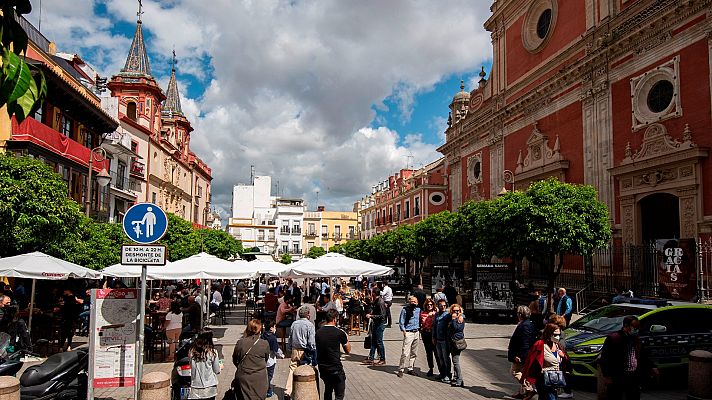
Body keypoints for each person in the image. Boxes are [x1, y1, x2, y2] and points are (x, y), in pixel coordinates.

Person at [599, 315, 659, 400]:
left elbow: (643, 356)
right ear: (626, 326)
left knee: (633, 395)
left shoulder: (636, 340)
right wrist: (607, 376)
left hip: (633, 376)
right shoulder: (614, 338)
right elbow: (605, 359)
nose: (637, 330)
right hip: (618, 376)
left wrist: (653, 367)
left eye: (638, 328)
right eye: (635, 327)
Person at [522, 323, 568, 400]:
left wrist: (563, 356)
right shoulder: (540, 344)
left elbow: (565, 360)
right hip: (542, 378)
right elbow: (530, 360)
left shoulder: (557, 345)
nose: (557, 337)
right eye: (555, 334)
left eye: (559, 335)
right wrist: (527, 377)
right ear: (548, 334)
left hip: (555, 378)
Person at [315, 309, 351, 400]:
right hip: (335, 368)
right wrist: (347, 338)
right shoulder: (339, 333)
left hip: (323, 368)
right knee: (339, 394)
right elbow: (348, 350)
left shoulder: (318, 333)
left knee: (328, 390)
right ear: (335, 319)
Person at [232, 319, 270, 400]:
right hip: (260, 378)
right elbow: (266, 359)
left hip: (243, 377)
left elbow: (235, 359)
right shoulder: (264, 344)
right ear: (260, 330)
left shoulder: (240, 342)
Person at [285, 306, 316, 400]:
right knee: (304, 371)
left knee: (292, 369)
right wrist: (313, 350)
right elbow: (311, 341)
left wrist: (289, 348)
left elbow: (290, 337)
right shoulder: (310, 325)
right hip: (305, 350)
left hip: (295, 349)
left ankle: (288, 391)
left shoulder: (294, 323)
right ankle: (303, 391)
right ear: (307, 315)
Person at [508, 306, 536, 399]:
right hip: (525, 353)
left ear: (520, 314)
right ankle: (522, 392)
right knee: (523, 372)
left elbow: (525, 342)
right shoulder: (527, 323)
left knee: (515, 372)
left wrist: (519, 355)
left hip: (522, 354)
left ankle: (529, 389)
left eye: (518, 313)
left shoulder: (525, 325)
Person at [189, 329, 220, 400]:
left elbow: (191, 366)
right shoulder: (213, 352)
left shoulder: (191, 352)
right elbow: (216, 370)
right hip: (210, 387)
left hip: (195, 386)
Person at [397, 296, 421, 377]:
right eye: (412, 301)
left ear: (417, 302)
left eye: (415, 301)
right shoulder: (405, 310)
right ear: (409, 302)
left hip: (417, 332)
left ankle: (411, 368)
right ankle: (401, 369)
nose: (413, 303)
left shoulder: (419, 310)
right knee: (405, 352)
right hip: (409, 332)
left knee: (414, 352)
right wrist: (404, 331)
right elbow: (401, 321)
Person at [363, 289, 387, 365]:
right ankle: (371, 358)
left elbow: (382, 315)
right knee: (373, 341)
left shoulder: (380, 302)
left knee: (379, 341)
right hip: (376, 323)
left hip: (380, 324)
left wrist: (371, 316)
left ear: (373, 293)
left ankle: (382, 359)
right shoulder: (376, 301)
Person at [262, 320, 284, 398]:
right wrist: (282, 355)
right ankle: (268, 391)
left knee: (265, 376)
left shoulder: (262, 335)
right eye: (275, 327)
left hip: (262, 360)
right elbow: (276, 350)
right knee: (269, 377)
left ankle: (267, 389)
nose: (276, 329)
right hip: (270, 361)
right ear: (271, 328)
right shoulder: (273, 338)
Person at [432, 298, 451, 382]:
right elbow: (434, 326)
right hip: (438, 339)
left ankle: (448, 374)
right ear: (438, 306)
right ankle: (442, 373)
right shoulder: (436, 314)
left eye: (444, 305)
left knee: (446, 358)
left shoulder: (448, 314)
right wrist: (433, 337)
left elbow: (459, 315)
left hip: (445, 340)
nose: (443, 307)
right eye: (441, 305)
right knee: (440, 358)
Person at [448, 303, 465, 387]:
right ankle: (455, 377)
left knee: (456, 362)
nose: (456, 312)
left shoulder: (460, 319)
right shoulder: (451, 318)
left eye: (457, 311)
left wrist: (454, 319)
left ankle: (460, 379)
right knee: (454, 361)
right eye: (454, 311)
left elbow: (457, 328)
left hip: (457, 342)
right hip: (451, 342)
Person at [419, 298, 437, 377]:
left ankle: (441, 369)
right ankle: (431, 368)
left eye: (431, 305)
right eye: (428, 305)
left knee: (437, 352)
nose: (429, 306)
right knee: (429, 352)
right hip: (425, 334)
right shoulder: (422, 313)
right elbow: (419, 323)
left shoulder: (436, 313)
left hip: (434, 334)